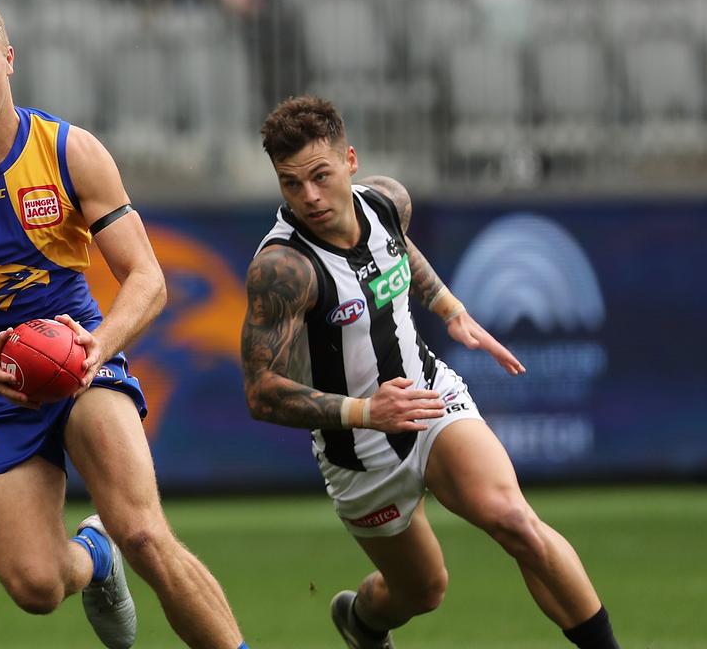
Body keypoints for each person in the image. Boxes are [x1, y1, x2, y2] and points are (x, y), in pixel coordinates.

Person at [0, 0, 250, 649]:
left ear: (10, 61)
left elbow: (148, 279)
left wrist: (95, 346)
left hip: (83, 361)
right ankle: (92, 558)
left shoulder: (70, 150)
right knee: (37, 588)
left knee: (144, 532)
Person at [239, 95, 620, 649]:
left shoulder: (387, 201)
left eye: (320, 176)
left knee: (514, 520)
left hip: (429, 395)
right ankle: (363, 622)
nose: (310, 197)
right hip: (358, 452)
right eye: (291, 184)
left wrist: (449, 308)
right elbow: (261, 393)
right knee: (422, 591)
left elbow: (399, 246)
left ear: (350, 159)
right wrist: (368, 411)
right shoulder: (283, 269)